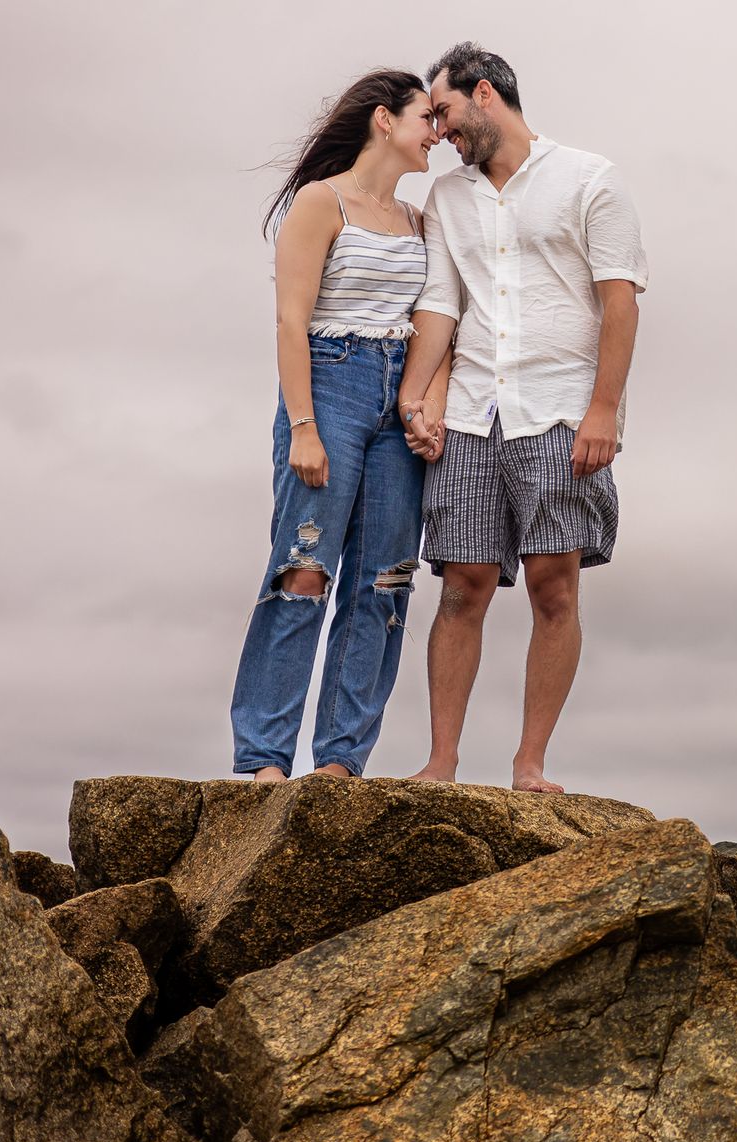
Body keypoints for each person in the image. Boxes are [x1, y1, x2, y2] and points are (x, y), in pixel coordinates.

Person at [397, 42, 647, 793]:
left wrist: (604, 409)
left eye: (441, 112)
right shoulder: (447, 199)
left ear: (485, 95)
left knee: (554, 587)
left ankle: (529, 764)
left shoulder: (590, 179)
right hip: (474, 410)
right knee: (462, 585)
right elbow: (441, 304)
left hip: (563, 407)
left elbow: (620, 301)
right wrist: (416, 400)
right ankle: (441, 762)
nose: (436, 131)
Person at [230, 70, 450, 781]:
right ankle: (264, 757)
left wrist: (428, 403)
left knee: (385, 581)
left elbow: (438, 325)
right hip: (329, 381)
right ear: (384, 121)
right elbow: (291, 321)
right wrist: (303, 427)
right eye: (426, 118)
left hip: (399, 396)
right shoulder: (320, 205)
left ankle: (340, 761)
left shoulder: (422, 221)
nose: (436, 132)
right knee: (303, 567)